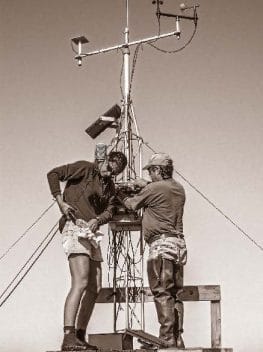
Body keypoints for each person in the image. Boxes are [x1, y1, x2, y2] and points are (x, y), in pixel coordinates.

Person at [47, 149, 127, 351]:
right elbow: (53, 174)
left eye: (114, 173)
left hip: (90, 232)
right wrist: (61, 203)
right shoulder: (86, 168)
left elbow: (111, 209)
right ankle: (68, 336)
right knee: (81, 280)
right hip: (74, 225)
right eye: (109, 168)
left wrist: (97, 220)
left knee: (95, 286)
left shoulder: (108, 185)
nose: (109, 173)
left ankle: (80, 335)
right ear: (105, 161)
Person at [117, 153, 187, 348]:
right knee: (174, 294)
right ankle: (177, 337)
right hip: (178, 246)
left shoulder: (154, 188)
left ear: (157, 170)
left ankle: (166, 340)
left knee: (161, 291)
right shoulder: (178, 188)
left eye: (151, 171)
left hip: (160, 245)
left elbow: (131, 204)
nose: (151, 174)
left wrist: (119, 193)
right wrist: (146, 184)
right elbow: (158, 190)